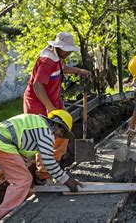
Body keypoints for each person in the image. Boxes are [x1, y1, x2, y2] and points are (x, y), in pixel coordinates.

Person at [0, 110, 82, 222]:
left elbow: (19, 147)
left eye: (63, 133)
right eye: (61, 130)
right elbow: (49, 162)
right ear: (55, 123)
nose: (60, 135)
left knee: (23, 179)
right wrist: (66, 180)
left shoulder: (37, 122)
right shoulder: (47, 132)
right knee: (23, 180)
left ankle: (19, 196)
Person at [23, 31, 90, 183]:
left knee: (64, 128)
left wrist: (79, 71)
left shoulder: (57, 57)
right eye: (65, 49)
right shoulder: (47, 61)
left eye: (69, 49)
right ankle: (44, 175)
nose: (67, 52)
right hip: (38, 102)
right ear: (58, 47)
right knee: (45, 135)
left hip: (52, 100)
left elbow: (62, 68)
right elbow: (37, 85)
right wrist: (50, 109)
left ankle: (54, 164)